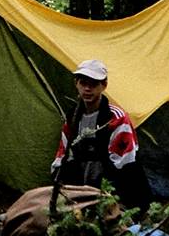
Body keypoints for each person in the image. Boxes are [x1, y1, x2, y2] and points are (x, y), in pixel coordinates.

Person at [51, 59, 153, 210]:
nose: (87, 89)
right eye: (83, 83)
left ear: (104, 85)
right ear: (76, 84)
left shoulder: (116, 118)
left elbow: (125, 161)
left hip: (110, 178)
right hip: (81, 177)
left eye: (93, 84)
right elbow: (63, 154)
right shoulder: (72, 117)